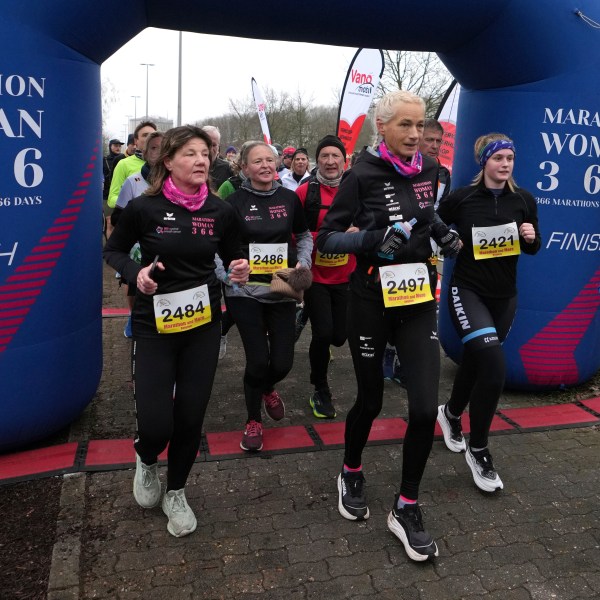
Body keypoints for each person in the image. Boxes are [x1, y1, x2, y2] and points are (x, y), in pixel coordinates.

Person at [317, 90, 460, 562]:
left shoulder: (428, 170)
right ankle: (351, 469)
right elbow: (328, 239)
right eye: (406, 125)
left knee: (423, 409)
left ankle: (406, 506)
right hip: (370, 299)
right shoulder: (360, 174)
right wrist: (377, 239)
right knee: (371, 399)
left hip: (417, 297)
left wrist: (442, 234)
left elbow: (425, 213)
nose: (416, 135)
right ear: (383, 127)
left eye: (421, 126)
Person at [103, 125, 250, 538]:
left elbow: (235, 255)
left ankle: (177, 491)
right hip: (154, 325)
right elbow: (112, 249)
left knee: (189, 416)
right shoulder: (145, 209)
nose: (201, 160)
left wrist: (239, 267)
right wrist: (137, 274)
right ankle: (146, 457)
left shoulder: (221, 212)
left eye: (205, 153)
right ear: (167, 162)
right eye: (190, 153)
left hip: (203, 324)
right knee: (156, 424)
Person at [436, 132, 540, 493]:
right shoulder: (463, 198)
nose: (505, 164)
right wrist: (447, 239)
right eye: (499, 158)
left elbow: (533, 248)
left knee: (478, 361)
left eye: (510, 158)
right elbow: (434, 223)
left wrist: (530, 237)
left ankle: (449, 413)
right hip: (468, 291)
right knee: (494, 367)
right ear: (485, 163)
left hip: (504, 296)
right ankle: (479, 451)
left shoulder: (523, 199)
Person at [224, 141, 313, 452]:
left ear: (277, 164)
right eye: (257, 161)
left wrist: (304, 261)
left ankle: (268, 389)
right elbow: (219, 247)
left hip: (281, 287)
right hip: (244, 292)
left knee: (283, 362)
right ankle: (253, 420)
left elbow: (303, 236)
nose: (265, 165)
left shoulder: (289, 199)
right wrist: (229, 273)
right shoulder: (233, 202)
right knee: (258, 360)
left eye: (269, 160)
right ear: (245, 168)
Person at [296, 135, 355, 419]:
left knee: (340, 337)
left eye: (336, 157)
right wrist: (329, 238)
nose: (330, 161)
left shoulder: (355, 189)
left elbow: (370, 221)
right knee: (323, 335)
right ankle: (320, 389)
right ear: (316, 161)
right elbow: (294, 232)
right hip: (316, 277)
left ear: (345, 161)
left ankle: (308, 316)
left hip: (346, 275)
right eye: (325, 157)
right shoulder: (306, 192)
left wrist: (360, 233)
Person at [110, 131, 165, 338]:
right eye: (153, 147)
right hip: (140, 253)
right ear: (143, 150)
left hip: (168, 255)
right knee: (139, 292)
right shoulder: (133, 181)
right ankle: (135, 320)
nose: (158, 152)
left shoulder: (180, 182)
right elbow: (117, 218)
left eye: (163, 147)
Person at [107, 121, 158, 209]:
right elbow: (112, 199)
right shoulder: (124, 164)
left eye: (153, 135)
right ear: (136, 141)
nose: (150, 138)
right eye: (145, 135)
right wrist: (135, 204)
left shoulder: (166, 164)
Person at [419, 118, 451, 208]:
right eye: (429, 140)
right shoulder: (403, 168)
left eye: (438, 141)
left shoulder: (444, 174)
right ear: (417, 140)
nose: (435, 146)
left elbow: (442, 210)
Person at [202, 125, 233, 191]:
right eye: (207, 144)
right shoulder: (191, 167)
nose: (210, 149)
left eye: (214, 145)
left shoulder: (227, 168)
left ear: (218, 146)